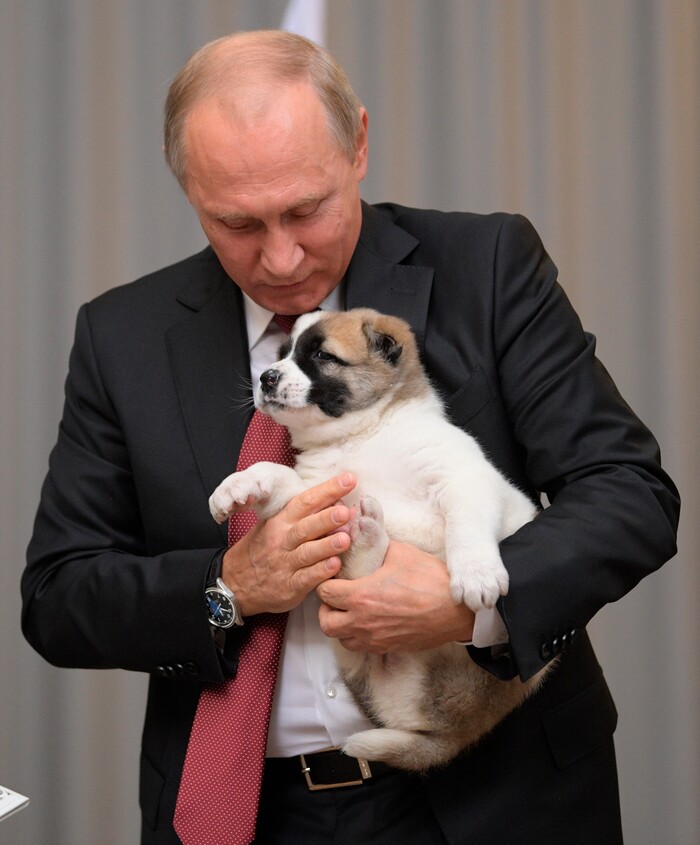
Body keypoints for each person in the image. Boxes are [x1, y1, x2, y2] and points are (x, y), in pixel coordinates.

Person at [22, 29, 679, 845]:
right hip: (248, 814)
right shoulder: (121, 335)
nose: (281, 256)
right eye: (236, 223)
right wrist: (229, 585)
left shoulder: (488, 265)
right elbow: (59, 595)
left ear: (358, 145)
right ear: (189, 190)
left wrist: (470, 606)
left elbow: (628, 491)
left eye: (306, 209)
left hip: (495, 800)